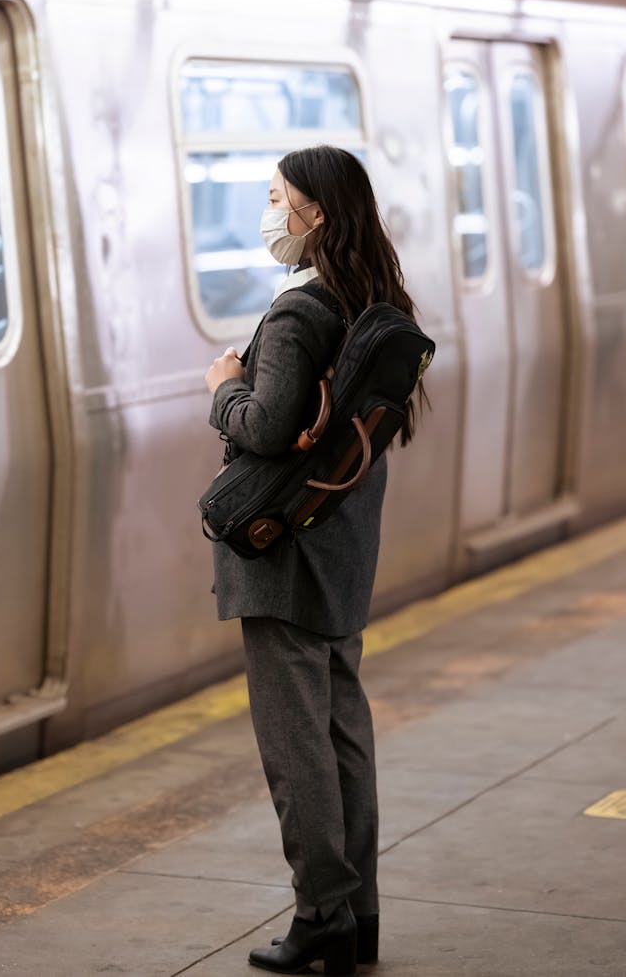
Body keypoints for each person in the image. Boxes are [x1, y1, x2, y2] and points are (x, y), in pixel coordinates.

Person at [204, 145, 425, 976]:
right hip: (339, 549)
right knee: (342, 731)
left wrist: (224, 382)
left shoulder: (299, 313)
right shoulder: (370, 300)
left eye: (276, 197)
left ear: (316, 214)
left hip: (283, 553)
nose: (268, 211)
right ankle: (357, 909)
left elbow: (262, 426)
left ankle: (320, 912)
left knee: (296, 743)